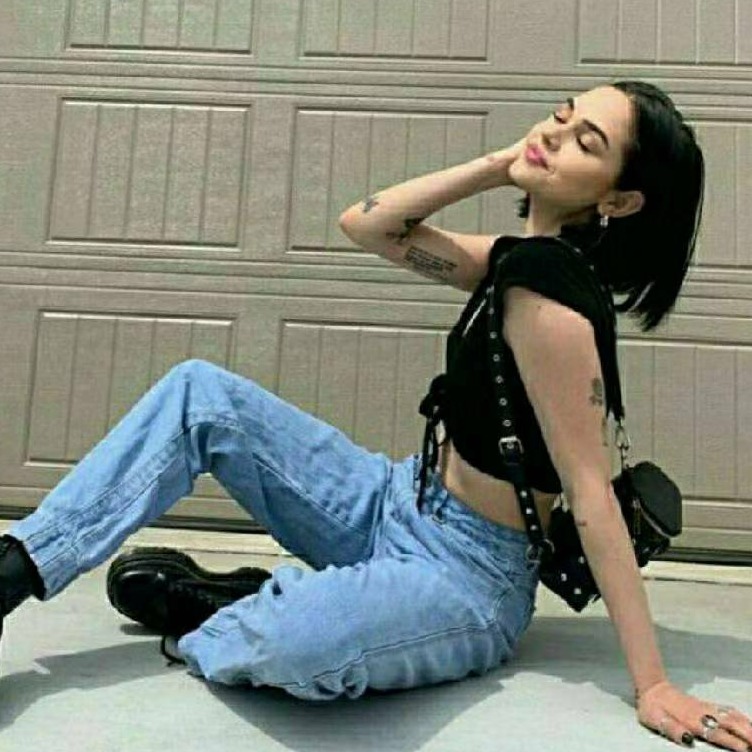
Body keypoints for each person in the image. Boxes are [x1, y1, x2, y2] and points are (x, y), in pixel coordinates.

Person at [0, 79, 749, 749]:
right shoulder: (513, 257)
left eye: (586, 141)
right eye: (562, 114)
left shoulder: (551, 301)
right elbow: (369, 224)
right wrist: (500, 163)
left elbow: (590, 494)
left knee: (299, 645)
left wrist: (654, 685)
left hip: (466, 577)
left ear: (618, 201)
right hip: (397, 498)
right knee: (202, 395)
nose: (555, 133)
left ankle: (240, 607)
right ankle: (13, 570)